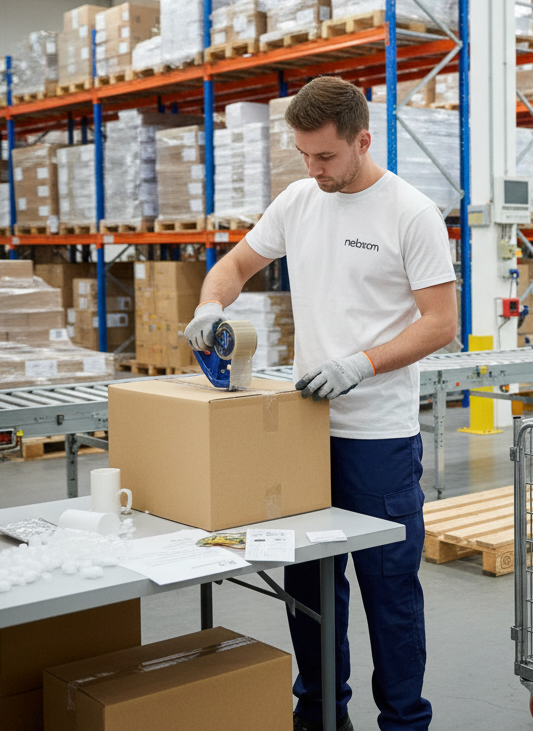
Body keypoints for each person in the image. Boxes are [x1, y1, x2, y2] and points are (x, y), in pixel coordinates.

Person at [184, 76, 456, 731]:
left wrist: (358, 364)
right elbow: (233, 267)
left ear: (362, 140)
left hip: (379, 442)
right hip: (305, 436)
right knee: (308, 589)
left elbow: (440, 321)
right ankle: (322, 718)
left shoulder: (410, 213)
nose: (314, 169)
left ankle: (403, 722)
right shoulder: (299, 200)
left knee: (388, 595)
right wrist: (208, 305)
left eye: (326, 156)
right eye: (304, 155)